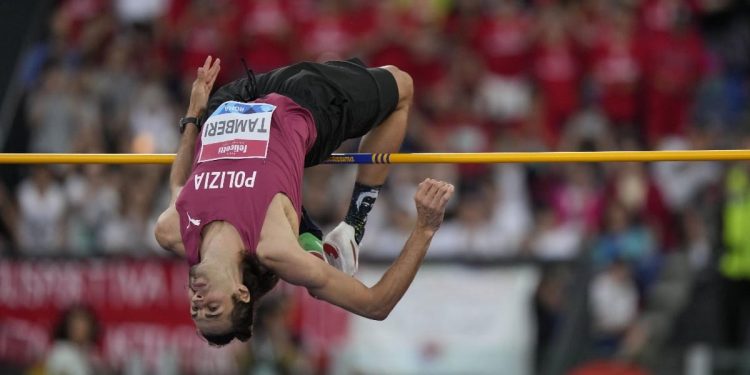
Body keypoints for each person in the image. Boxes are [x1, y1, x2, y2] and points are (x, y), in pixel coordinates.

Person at [154, 56, 454, 345]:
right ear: (241, 292)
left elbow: (179, 183)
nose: (198, 302)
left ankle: (310, 233)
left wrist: (193, 115)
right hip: (302, 103)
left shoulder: (172, 232)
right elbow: (376, 306)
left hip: (228, 103)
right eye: (213, 309)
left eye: (195, 311)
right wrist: (424, 229)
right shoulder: (274, 247)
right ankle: (354, 223)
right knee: (401, 85)